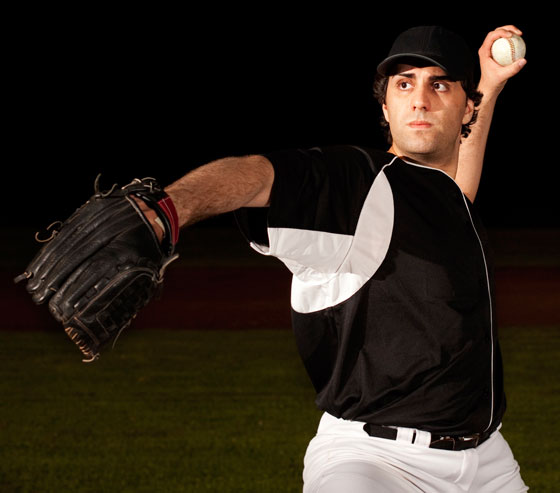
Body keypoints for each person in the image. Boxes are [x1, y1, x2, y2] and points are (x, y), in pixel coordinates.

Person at [153, 25, 528, 492]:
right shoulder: (360, 184)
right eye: (404, 83)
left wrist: (490, 84)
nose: (420, 100)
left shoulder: (447, 200)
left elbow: (459, 183)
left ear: (466, 105)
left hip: (488, 464)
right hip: (374, 462)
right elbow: (257, 176)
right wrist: (163, 212)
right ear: (385, 106)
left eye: (440, 84)